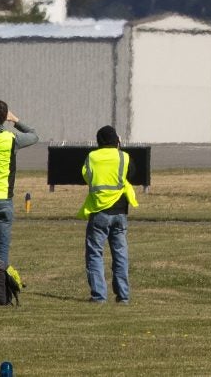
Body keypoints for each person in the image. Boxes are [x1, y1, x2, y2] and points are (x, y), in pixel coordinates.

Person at [78, 125, 138, 304]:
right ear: (117, 141)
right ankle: (123, 296)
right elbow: (132, 173)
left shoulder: (92, 157)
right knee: (120, 254)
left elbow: (85, 176)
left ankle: (99, 295)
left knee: (95, 253)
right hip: (120, 211)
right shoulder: (123, 157)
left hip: (98, 211)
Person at [0, 100, 39, 264]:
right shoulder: (12, 138)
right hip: (3, 200)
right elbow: (34, 135)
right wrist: (15, 120)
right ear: (5, 117)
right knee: (1, 252)